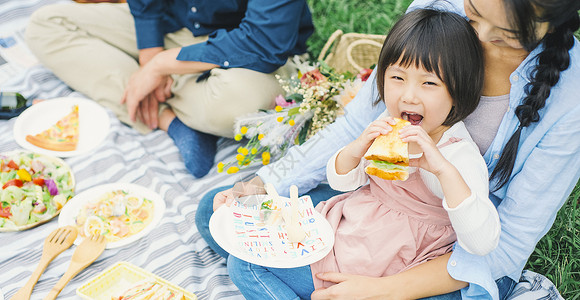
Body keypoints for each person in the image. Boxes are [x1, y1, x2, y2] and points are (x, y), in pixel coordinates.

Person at [199, 0, 580, 299]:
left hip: (443, 251)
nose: (476, 38)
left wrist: (384, 291)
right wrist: (266, 183)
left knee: (248, 262)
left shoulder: (569, 99)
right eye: (473, 12)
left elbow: (502, 246)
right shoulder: (436, 12)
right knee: (218, 213)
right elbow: (351, 136)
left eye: (505, 34)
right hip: (379, 206)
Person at [24, 0, 314, 178]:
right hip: (175, 27)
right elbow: (146, 7)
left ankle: (173, 96)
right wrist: (149, 54)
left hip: (247, 54)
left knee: (246, 105)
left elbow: (264, 42)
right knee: (45, 25)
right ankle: (171, 120)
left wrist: (159, 66)